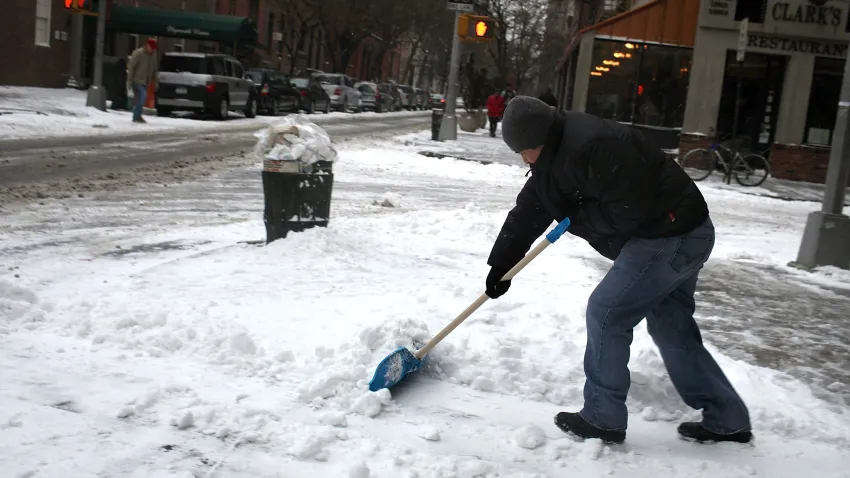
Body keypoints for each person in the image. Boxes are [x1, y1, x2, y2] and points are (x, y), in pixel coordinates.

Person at [484, 96, 752, 445]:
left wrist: (578, 217)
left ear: (540, 141)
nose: (522, 159)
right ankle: (727, 418)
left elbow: (630, 208)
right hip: (677, 231)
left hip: (671, 234)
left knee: (607, 312)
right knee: (672, 327)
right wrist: (502, 263)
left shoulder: (595, 147)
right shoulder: (555, 151)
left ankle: (603, 416)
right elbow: (532, 206)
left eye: (524, 151)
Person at [126, 38, 159, 123]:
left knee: (139, 100)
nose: (152, 50)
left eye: (154, 48)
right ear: (147, 46)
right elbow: (131, 67)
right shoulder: (138, 53)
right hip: (137, 81)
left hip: (146, 82)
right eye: (152, 48)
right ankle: (136, 116)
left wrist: (155, 82)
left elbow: (154, 70)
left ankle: (138, 116)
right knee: (142, 98)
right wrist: (129, 80)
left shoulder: (153, 56)